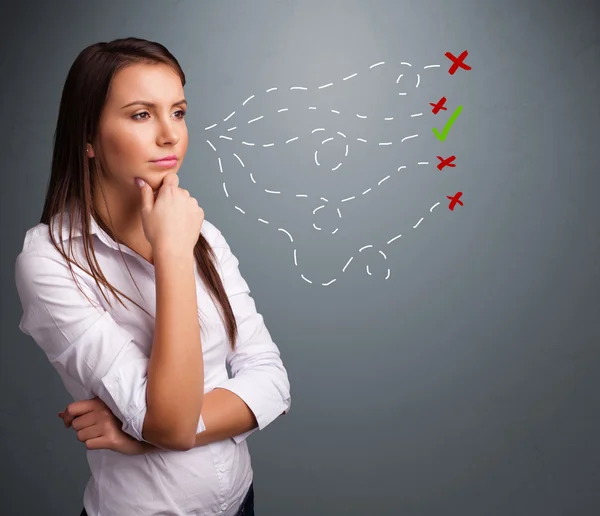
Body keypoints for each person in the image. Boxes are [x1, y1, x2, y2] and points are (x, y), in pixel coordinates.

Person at [14, 37, 291, 516]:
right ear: (88, 137)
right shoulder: (49, 260)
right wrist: (170, 253)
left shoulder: (200, 231)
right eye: (142, 114)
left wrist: (143, 437)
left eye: (178, 112)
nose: (170, 135)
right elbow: (168, 422)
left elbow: (271, 378)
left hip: (239, 501)